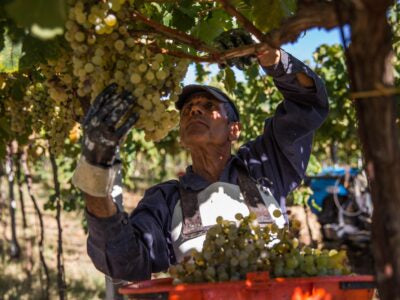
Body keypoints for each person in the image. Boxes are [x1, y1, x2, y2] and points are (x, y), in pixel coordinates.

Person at [72, 33, 329, 282]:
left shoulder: (264, 166)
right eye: (187, 110)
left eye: (208, 106)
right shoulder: (164, 200)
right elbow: (123, 261)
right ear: (181, 137)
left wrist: (272, 57)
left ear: (233, 130)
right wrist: (95, 173)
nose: (194, 110)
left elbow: (307, 103)